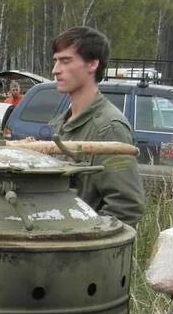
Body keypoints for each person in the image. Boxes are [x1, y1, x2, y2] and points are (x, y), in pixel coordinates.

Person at [47, 26, 144, 225]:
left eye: (66, 61)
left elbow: (127, 206)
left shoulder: (108, 128)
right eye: (56, 61)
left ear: (92, 64)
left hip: (79, 249)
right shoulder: (64, 123)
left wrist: (79, 238)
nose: (55, 70)